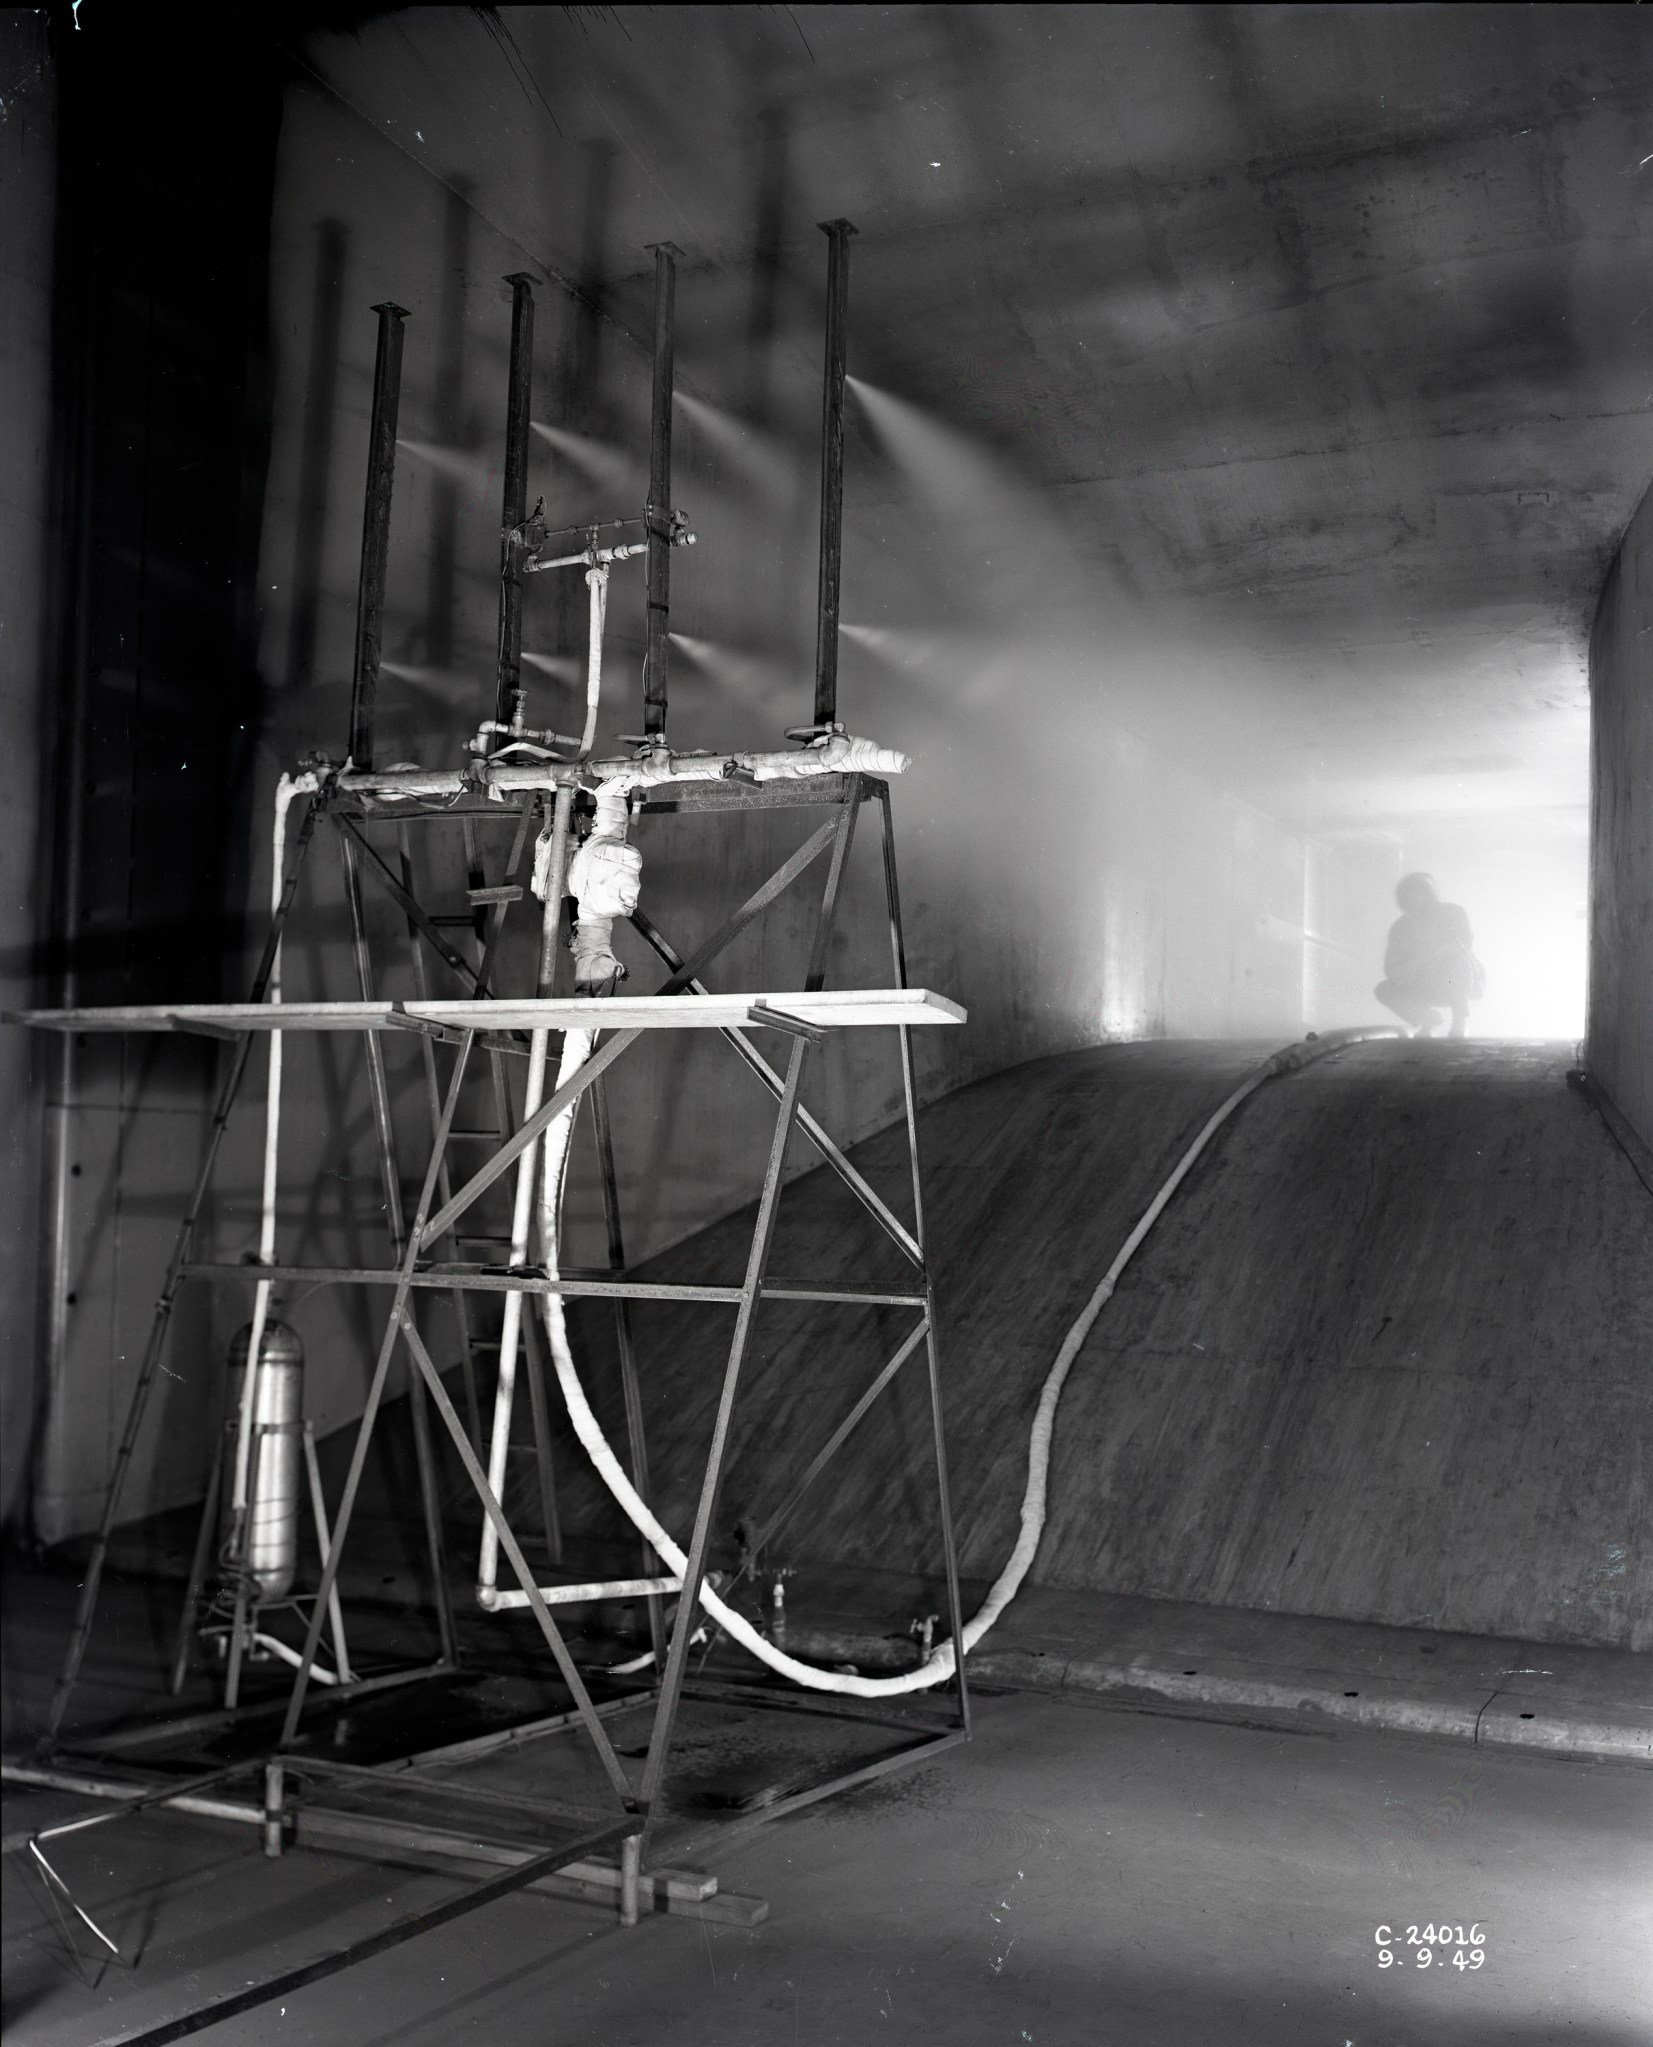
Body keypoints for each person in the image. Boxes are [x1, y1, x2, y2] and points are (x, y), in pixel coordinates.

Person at [1374, 872, 1482, 1038]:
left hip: (1454, 981)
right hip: (1421, 983)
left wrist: (1435, 959)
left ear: (1428, 893)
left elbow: (1464, 945)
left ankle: (1459, 1022)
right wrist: (1416, 967)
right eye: (1408, 895)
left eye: (1418, 893)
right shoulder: (1400, 928)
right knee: (1384, 990)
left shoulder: (1453, 913)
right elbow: (1391, 968)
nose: (1414, 899)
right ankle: (1427, 1020)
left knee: (1457, 964)